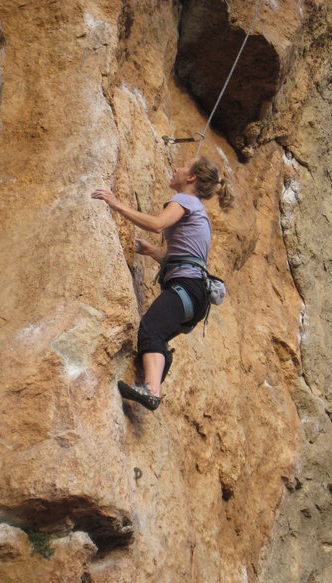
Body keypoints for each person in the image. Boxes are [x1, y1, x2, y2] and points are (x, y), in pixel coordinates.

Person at [91, 156, 230, 411]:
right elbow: (183, 257)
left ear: (191, 178)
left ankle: (152, 390)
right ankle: (156, 372)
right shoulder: (200, 213)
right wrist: (152, 252)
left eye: (182, 167)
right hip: (196, 296)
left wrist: (115, 203)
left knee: (151, 329)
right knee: (158, 335)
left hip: (186, 288)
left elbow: (157, 225)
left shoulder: (185, 200)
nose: (176, 168)